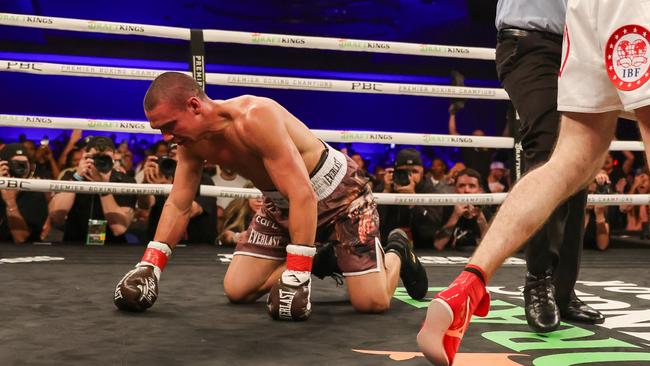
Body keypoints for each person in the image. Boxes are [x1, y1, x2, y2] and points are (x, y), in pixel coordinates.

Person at [418, 1, 650, 364]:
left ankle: (470, 283)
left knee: (572, 162)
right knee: (548, 148)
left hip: (579, 23)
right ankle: (539, 282)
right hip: (550, 32)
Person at [113, 72, 428, 318]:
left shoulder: (255, 117)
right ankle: (323, 256)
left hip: (339, 194)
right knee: (238, 290)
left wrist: (297, 273)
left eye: (169, 125)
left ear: (194, 106)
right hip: (281, 204)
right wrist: (150, 266)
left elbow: (303, 192)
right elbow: (180, 202)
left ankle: (396, 249)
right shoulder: (190, 143)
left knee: (371, 303)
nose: (167, 137)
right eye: (160, 130)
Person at [493, 0, 603, 335]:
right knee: (548, 150)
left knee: (579, 161)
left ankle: (562, 289)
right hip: (528, 42)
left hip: (579, 49)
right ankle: (538, 281)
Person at [49, 136, 137, 244]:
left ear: (114, 159)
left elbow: (119, 229)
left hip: (112, 248)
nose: (101, 162)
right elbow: (56, 217)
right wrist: (77, 177)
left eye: (105, 158)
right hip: (74, 245)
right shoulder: (71, 177)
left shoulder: (124, 181)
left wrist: (103, 187)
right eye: (96, 157)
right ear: (86, 157)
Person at [137, 143, 217, 245]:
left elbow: (190, 210)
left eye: (179, 155)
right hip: (161, 244)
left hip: (196, 246)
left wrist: (168, 189)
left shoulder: (204, 180)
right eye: (172, 155)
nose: (175, 159)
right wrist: (147, 183)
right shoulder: (163, 176)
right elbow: (145, 204)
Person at [376, 148, 443, 249]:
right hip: (387, 247)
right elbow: (372, 226)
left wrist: (413, 201)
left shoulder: (430, 191)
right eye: (404, 172)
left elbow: (430, 230)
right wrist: (386, 193)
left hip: (423, 249)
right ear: (395, 171)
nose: (410, 176)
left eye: (414, 171)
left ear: (422, 172)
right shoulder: (385, 187)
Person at [0, 143, 49, 243]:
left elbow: (21, 239)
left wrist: (10, 202)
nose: (21, 169)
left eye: (24, 164)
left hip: (22, 253)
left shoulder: (35, 194)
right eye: (16, 163)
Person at [433, 169, 491, 252]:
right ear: (455, 190)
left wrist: (480, 218)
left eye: (472, 186)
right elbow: (438, 245)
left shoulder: (486, 211)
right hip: (450, 260)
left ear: (480, 191)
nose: (466, 190)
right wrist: (455, 216)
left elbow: (492, 247)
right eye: (462, 186)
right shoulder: (446, 209)